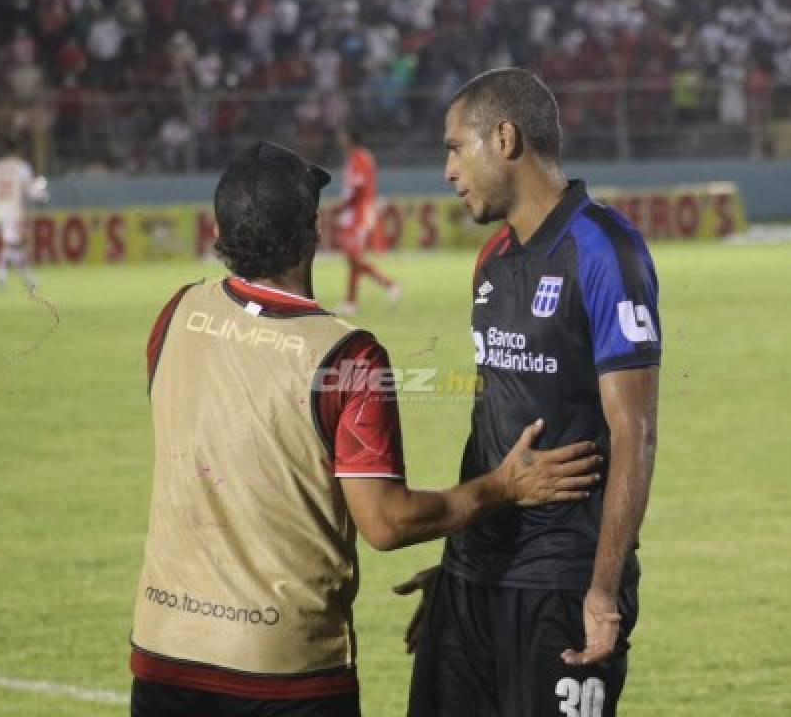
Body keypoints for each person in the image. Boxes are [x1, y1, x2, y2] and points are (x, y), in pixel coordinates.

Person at [129, 141, 603, 717]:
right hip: (282, 669)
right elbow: (386, 521)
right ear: (314, 229)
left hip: (161, 653)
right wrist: (505, 486)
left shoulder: (175, 314)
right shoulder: (346, 357)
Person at [401, 68, 661, 717]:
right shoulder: (491, 259)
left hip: (559, 584)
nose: (447, 170)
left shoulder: (605, 248)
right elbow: (491, 414)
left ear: (506, 139)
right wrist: (458, 563)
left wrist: (602, 590)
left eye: (456, 147)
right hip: (472, 582)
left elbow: (635, 430)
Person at [333, 123, 399, 313]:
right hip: (353, 213)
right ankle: (351, 302)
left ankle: (389, 285)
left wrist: (342, 206)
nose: (340, 139)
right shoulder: (355, 158)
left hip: (358, 214)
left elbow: (358, 188)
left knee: (353, 257)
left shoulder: (360, 158)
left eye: (343, 135)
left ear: (349, 139)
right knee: (352, 259)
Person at [0, 134, 48, 290]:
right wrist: (42, 195)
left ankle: (26, 279)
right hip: (14, 211)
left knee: (15, 245)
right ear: (17, 151)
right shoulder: (21, 167)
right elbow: (31, 190)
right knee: (12, 246)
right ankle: (2, 277)